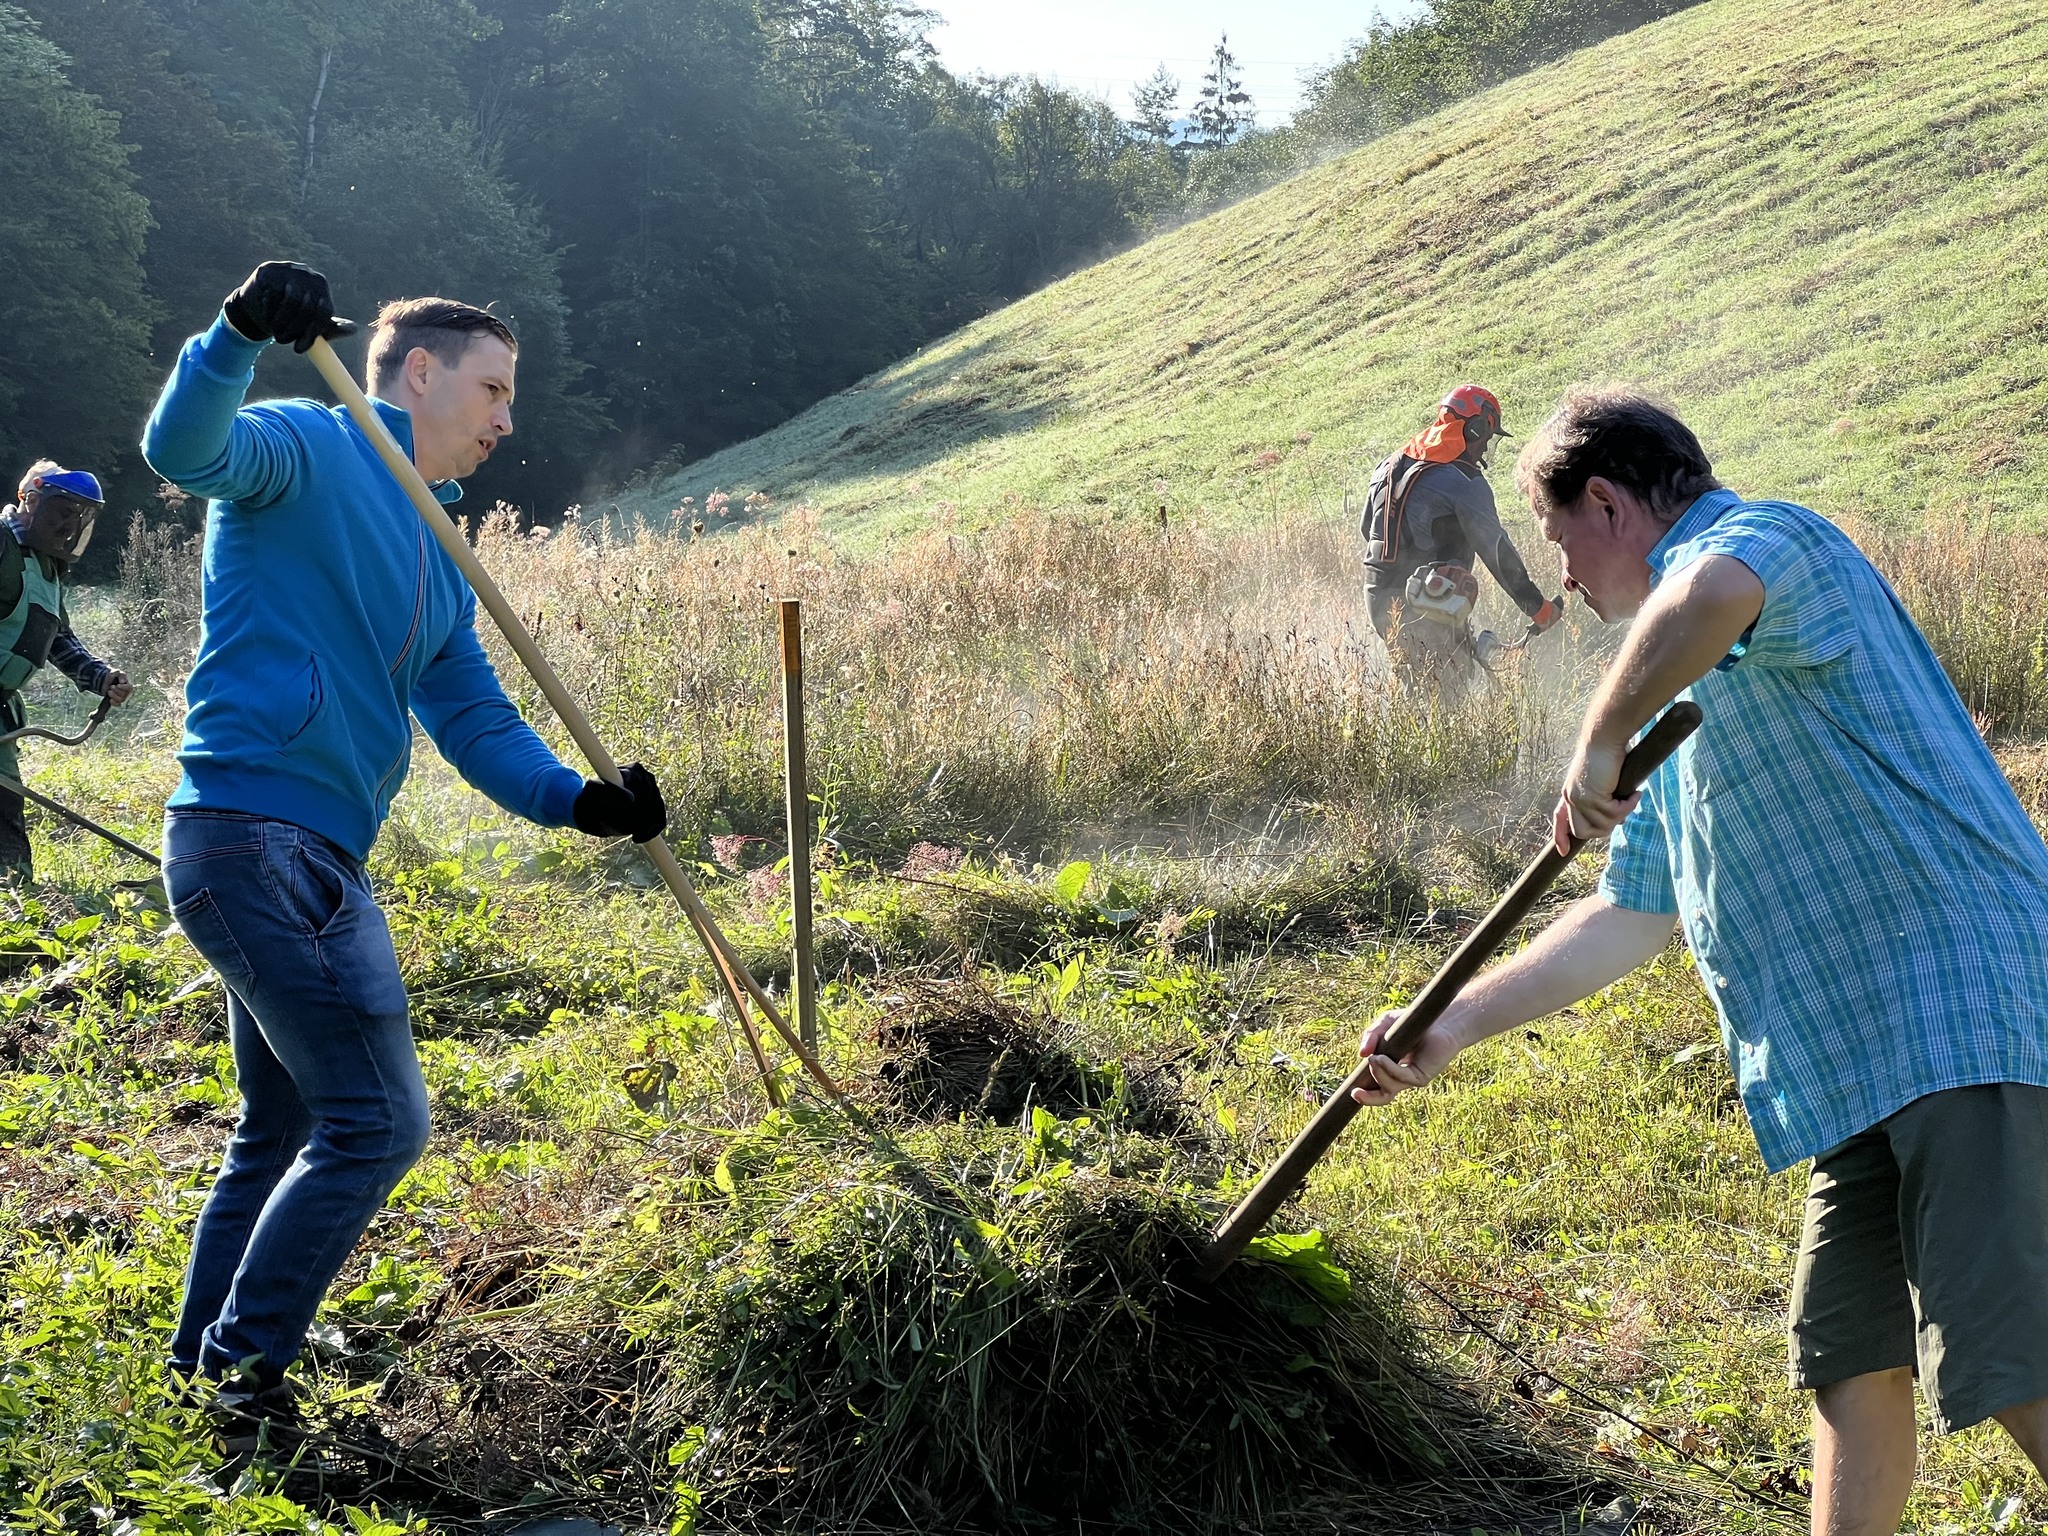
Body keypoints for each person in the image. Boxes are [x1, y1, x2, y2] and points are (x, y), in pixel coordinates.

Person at [1353, 384, 2048, 1536]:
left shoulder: (1765, 542)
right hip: (1858, 1062)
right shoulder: (1676, 700)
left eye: (1560, 538)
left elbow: (1712, 588)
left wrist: (1598, 732)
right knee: (1847, 1353)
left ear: (1612, 505)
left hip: (1950, 1009)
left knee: (2010, 1348)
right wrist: (1452, 1023)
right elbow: (1636, 913)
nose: (1561, 576)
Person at [140, 261, 670, 1449]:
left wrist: (582, 804)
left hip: (310, 852)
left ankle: (197, 1372)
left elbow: (474, 719)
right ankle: (241, 1380)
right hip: (252, 836)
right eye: (492, 389)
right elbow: (184, 453)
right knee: (379, 1124)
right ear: (418, 372)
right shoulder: (309, 447)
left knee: (277, 1131)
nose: (506, 419)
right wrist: (231, 335)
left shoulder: (440, 552)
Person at [1360, 384, 1565, 688]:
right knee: (1445, 698)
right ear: (1474, 428)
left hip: (1377, 598)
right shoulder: (1465, 480)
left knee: (1414, 690)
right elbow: (1497, 552)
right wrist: (1538, 608)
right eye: (1485, 438)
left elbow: (1368, 528)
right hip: (1430, 604)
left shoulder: (1389, 466)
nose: (1484, 449)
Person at [1, 462, 133, 882]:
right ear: (32, 501)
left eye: (80, 517)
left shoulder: (46, 569)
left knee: (5, 809)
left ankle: (16, 903)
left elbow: (57, 639)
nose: (69, 526)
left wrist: (100, 677)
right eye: (63, 513)